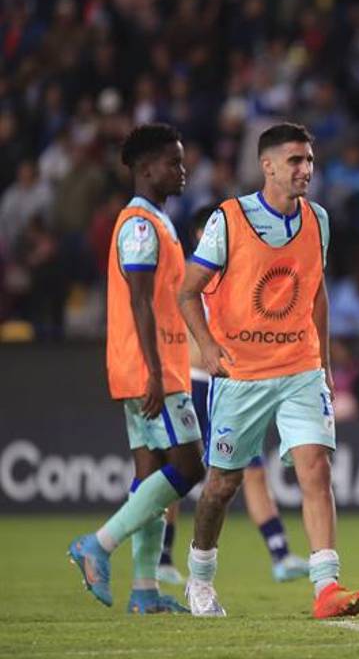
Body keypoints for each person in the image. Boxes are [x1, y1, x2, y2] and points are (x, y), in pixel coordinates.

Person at [177, 122, 359, 619]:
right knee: (222, 484)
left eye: (309, 160)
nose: (305, 169)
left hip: (300, 366)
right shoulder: (229, 219)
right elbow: (187, 289)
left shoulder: (318, 220)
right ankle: (199, 576)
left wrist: (324, 362)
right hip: (242, 374)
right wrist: (208, 345)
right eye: (295, 161)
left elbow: (317, 290)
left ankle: (326, 587)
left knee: (315, 467)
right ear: (267, 167)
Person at [68, 124, 205, 614]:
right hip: (153, 369)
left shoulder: (157, 221)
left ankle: (144, 590)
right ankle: (98, 545)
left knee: (150, 472)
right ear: (146, 169)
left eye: (182, 161)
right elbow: (140, 302)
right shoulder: (141, 226)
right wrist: (152, 371)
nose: (182, 170)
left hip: (152, 365)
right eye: (173, 162)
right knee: (190, 467)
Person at [156, 206, 311, 586]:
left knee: (248, 472)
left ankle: (280, 554)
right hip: (190, 382)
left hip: (228, 384)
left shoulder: (236, 273)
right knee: (180, 471)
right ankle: (161, 556)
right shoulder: (186, 276)